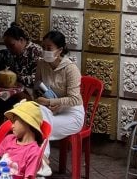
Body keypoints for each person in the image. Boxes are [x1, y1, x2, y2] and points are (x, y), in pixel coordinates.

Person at [34, 30, 84, 176]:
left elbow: (75, 99)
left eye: (49, 48)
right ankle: (39, 164)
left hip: (71, 114)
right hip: (50, 111)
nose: (45, 51)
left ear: (60, 50)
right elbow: (36, 87)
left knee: (38, 128)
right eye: (43, 47)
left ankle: (39, 165)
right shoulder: (42, 64)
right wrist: (40, 99)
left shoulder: (71, 69)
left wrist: (51, 101)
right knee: (37, 118)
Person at [0, 100, 46, 179]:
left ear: (27, 122)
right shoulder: (8, 139)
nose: (11, 126)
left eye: (14, 121)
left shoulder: (33, 152)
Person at [3, 23, 44, 88]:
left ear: (21, 40)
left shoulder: (36, 51)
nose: (9, 49)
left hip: (32, 90)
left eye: (11, 45)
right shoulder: (12, 53)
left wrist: (14, 78)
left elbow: (37, 79)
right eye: (7, 46)